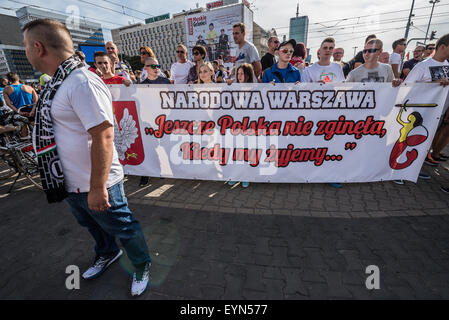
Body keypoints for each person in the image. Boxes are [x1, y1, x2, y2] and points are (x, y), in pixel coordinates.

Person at [23, 18, 151, 296]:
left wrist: (97, 187)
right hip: (69, 181)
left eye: (26, 46)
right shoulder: (59, 82)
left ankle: (141, 264)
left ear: (38, 47)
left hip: (96, 183)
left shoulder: (81, 82)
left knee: (123, 227)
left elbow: (104, 136)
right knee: (92, 224)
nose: (26, 52)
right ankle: (107, 253)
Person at [404, 34, 449, 168]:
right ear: (442, 47)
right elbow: (407, 87)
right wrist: (433, 84)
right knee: (411, 140)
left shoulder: (447, 65)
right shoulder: (422, 66)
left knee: (427, 141)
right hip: (419, 113)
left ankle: (417, 166)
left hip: (438, 112)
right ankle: (403, 168)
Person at [228, 63, 255, 188]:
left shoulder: (255, 88)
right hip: (236, 125)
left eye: (242, 73)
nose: (239, 76)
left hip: (249, 126)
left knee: (247, 152)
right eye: (237, 73)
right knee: (236, 152)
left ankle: (246, 176)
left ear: (248, 75)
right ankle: (235, 175)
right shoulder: (234, 88)